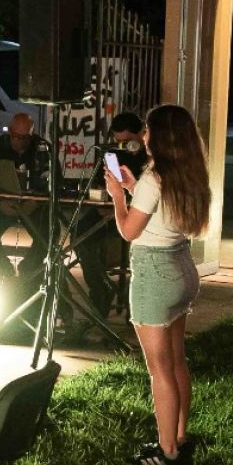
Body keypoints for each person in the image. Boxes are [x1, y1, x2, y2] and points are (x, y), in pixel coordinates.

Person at [103, 104, 210, 465]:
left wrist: (118, 196)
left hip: (154, 273)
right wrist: (134, 189)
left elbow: (130, 231)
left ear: (162, 138)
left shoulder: (154, 178)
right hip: (182, 267)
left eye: (148, 131)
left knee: (159, 369)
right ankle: (179, 438)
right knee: (177, 360)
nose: (143, 137)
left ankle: (166, 453)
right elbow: (162, 213)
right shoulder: (185, 174)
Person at [79, 113, 149, 321]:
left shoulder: (149, 158)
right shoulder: (111, 153)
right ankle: (100, 287)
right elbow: (100, 183)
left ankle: (124, 297)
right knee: (79, 233)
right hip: (106, 210)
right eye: (118, 141)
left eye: (127, 142)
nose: (123, 147)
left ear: (141, 135)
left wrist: (120, 200)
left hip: (135, 216)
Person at [0, 113, 50, 280]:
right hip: (2, 204)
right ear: (9, 133)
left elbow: (53, 181)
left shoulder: (43, 149)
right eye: (15, 136)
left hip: (33, 204)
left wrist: (36, 201)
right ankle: (3, 268)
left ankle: (29, 269)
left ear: (32, 134)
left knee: (49, 231)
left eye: (24, 138)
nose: (19, 142)